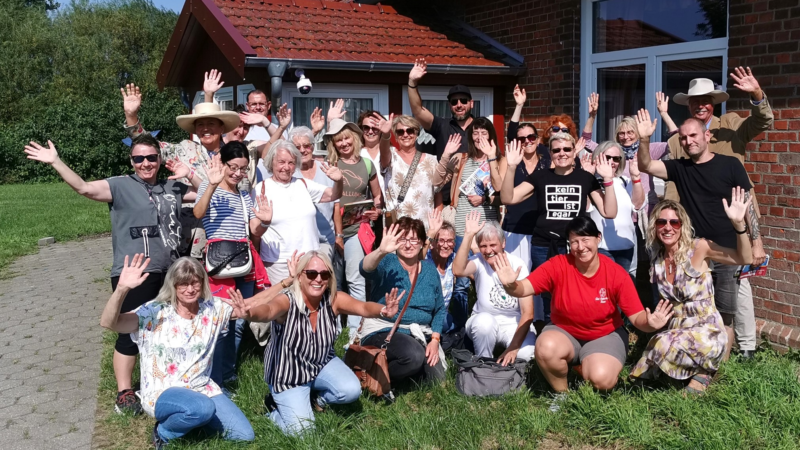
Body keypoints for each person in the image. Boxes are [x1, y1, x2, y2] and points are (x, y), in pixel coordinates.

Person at [24, 135, 198, 416]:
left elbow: (203, 193)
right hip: (135, 271)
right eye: (138, 158)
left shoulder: (172, 186)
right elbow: (84, 188)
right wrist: (55, 161)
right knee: (130, 332)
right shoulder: (119, 185)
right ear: (131, 161)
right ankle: (125, 392)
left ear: (160, 160)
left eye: (151, 157)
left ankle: (165, 379)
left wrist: (192, 173)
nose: (146, 163)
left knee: (167, 329)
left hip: (171, 270)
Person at [495, 217, 673, 399]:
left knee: (601, 379)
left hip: (605, 334)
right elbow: (524, 288)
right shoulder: (558, 265)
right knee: (545, 348)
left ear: (598, 238)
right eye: (574, 241)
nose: (580, 247)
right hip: (564, 331)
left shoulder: (616, 273)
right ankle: (562, 394)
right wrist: (510, 285)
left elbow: (637, 318)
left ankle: (585, 365)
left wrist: (651, 324)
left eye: (586, 239)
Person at [636, 110, 761, 360]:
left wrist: (756, 242)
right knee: (694, 309)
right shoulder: (679, 168)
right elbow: (645, 165)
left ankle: (720, 370)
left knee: (725, 312)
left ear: (707, 136)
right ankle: (694, 357)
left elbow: (747, 205)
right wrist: (644, 140)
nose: (688, 141)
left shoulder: (730, 164)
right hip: (692, 253)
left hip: (726, 249)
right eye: (683, 138)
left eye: (693, 135)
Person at [665, 67, 772, 359]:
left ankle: (747, 346)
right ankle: (707, 341)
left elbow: (763, 119)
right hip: (696, 225)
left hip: (735, 220)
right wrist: (674, 225)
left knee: (740, 284)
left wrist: (755, 94)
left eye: (706, 99)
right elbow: (674, 186)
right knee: (700, 285)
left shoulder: (732, 125)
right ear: (688, 104)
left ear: (714, 102)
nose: (701, 104)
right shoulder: (678, 140)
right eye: (694, 100)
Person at [236, 252, 400, 436]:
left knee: (352, 390)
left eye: (325, 274)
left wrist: (383, 311)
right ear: (300, 276)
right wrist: (249, 314)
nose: (319, 279)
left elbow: (362, 307)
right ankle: (273, 412)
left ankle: (316, 400)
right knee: (303, 432)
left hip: (321, 363)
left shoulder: (333, 300)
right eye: (312, 274)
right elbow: (268, 310)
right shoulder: (287, 301)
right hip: (289, 376)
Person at [99, 255, 255, 447]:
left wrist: (286, 284)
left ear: (202, 282)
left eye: (194, 283)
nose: (190, 289)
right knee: (202, 408)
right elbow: (109, 323)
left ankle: (193, 420)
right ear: (172, 285)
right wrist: (122, 289)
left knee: (243, 434)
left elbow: (249, 305)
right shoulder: (154, 312)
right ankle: (163, 433)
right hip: (163, 391)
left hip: (201, 387)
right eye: (183, 284)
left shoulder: (212, 308)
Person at [630, 191, 752, 394]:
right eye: (662, 222)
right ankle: (692, 372)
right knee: (650, 358)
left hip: (707, 331)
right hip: (677, 329)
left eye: (674, 223)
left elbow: (744, 258)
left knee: (662, 345)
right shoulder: (657, 257)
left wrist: (739, 226)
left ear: (682, 225)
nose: (668, 228)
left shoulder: (699, 248)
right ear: (655, 227)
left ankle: (704, 371)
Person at [500, 132, 618, 330]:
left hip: (576, 246)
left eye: (567, 149)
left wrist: (608, 180)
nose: (562, 153)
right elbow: (508, 198)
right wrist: (511, 167)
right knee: (548, 293)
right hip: (543, 246)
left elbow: (609, 211)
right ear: (550, 154)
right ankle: (550, 332)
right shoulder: (540, 176)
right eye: (556, 150)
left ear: (574, 151)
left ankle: (574, 330)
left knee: (575, 290)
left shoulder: (586, 178)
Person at [121, 80, 240, 258]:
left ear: (222, 127)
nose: (205, 128)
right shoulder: (185, 148)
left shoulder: (234, 156)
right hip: (185, 233)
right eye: (200, 124)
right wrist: (131, 116)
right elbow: (150, 146)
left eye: (211, 124)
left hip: (223, 233)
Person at [192, 142, 273, 386]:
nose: (238, 173)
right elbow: (198, 213)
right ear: (223, 164)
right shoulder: (210, 186)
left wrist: (266, 222)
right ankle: (213, 376)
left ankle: (228, 374)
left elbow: (252, 229)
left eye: (243, 169)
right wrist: (213, 185)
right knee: (221, 323)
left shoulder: (243, 195)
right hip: (219, 264)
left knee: (240, 320)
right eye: (233, 167)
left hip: (244, 262)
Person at [359, 218, 447, 387]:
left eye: (413, 239)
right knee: (413, 356)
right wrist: (381, 251)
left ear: (422, 242)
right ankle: (376, 375)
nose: (408, 245)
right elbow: (365, 269)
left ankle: (408, 371)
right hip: (385, 328)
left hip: (420, 332)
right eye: (402, 239)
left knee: (437, 380)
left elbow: (439, 309)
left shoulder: (429, 270)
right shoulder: (387, 262)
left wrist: (435, 340)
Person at [252, 140, 343, 282]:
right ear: (272, 162)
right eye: (281, 162)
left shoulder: (302, 184)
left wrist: (338, 181)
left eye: (291, 163)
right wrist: (265, 222)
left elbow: (334, 195)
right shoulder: (261, 189)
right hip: (279, 264)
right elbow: (255, 231)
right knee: (282, 303)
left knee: (310, 303)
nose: (286, 167)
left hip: (310, 259)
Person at [324, 118, 383, 336]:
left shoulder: (367, 164)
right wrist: (338, 235)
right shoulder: (329, 164)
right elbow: (332, 202)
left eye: (347, 138)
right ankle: (331, 329)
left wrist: (376, 211)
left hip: (357, 230)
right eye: (339, 141)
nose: (344, 143)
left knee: (356, 280)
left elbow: (377, 197)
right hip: (331, 230)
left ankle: (356, 332)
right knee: (332, 282)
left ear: (355, 138)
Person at [453, 213, 535, 364]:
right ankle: (484, 363)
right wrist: (468, 235)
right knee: (484, 323)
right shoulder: (478, 261)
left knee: (526, 354)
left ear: (503, 243)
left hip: (512, 322)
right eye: (483, 246)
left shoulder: (518, 264)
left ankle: (511, 371)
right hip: (483, 319)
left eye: (493, 245)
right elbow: (457, 270)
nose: (488, 250)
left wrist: (514, 347)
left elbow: (528, 313)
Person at [407, 58, 473, 207]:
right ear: (449, 105)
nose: (459, 105)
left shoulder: (481, 129)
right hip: (444, 200)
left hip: (473, 199)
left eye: (463, 100)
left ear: (471, 103)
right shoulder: (442, 126)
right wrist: (412, 82)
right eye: (454, 102)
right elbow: (417, 110)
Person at [503, 85, 550, 269]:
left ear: (538, 140)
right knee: (515, 279)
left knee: (539, 283)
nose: (527, 141)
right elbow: (511, 131)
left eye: (531, 137)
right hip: (514, 230)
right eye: (522, 139)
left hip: (539, 232)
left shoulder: (547, 161)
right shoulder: (513, 161)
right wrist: (519, 106)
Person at [583, 141, 645, 274]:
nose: (611, 162)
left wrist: (636, 177)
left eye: (616, 158)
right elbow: (586, 207)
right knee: (606, 287)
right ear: (597, 157)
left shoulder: (624, 181)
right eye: (607, 157)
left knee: (622, 287)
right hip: (601, 247)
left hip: (625, 245)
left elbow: (638, 205)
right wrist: (587, 177)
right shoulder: (592, 182)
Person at [383, 115, 442, 229]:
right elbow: (384, 151)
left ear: (416, 133)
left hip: (425, 226)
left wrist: (437, 222)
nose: (405, 135)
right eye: (400, 132)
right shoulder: (391, 157)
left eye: (410, 131)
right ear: (395, 135)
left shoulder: (432, 160)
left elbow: (438, 193)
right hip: (397, 227)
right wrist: (385, 135)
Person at [292, 126, 337, 260]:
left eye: (306, 146)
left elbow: (336, 206)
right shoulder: (290, 172)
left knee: (324, 277)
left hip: (325, 239)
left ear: (312, 147)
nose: (302, 150)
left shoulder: (325, 168)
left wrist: (339, 236)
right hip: (299, 241)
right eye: (297, 147)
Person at [424, 210, 458, 333]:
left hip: (441, 315)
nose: (445, 245)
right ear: (432, 243)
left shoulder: (454, 259)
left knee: (449, 323)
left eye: (450, 241)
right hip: (424, 312)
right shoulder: (425, 259)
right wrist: (431, 232)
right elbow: (416, 260)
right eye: (441, 240)